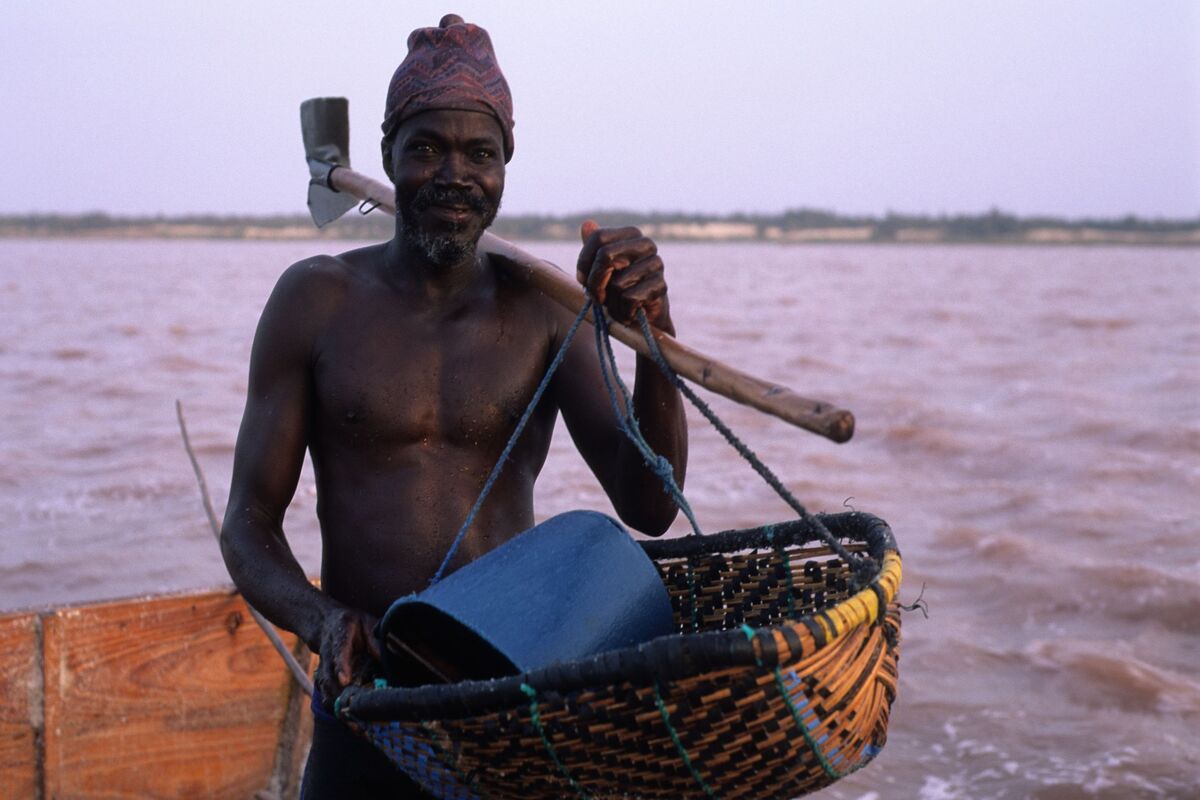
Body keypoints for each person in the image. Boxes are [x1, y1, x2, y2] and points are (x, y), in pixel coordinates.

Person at [219, 13, 687, 798]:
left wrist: (654, 338)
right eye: (427, 148)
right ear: (386, 158)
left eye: (480, 153)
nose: (453, 175)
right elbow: (247, 523)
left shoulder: (543, 310)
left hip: (506, 702)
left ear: (507, 164)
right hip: (367, 699)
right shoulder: (316, 300)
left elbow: (651, 505)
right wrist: (323, 618)